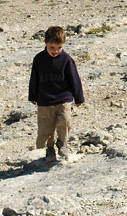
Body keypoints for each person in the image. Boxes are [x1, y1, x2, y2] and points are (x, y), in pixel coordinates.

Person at [29, 26, 85, 163]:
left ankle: (62, 143)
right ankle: (49, 149)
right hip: (44, 99)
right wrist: (32, 96)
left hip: (63, 98)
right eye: (52, 47)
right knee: (46, 126)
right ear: (46, 43)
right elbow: (34, 78)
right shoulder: (39, 59)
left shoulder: (67, 60)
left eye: (59, 48)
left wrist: (78, 97)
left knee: (65, 121)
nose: (55, 51)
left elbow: (74, 79)